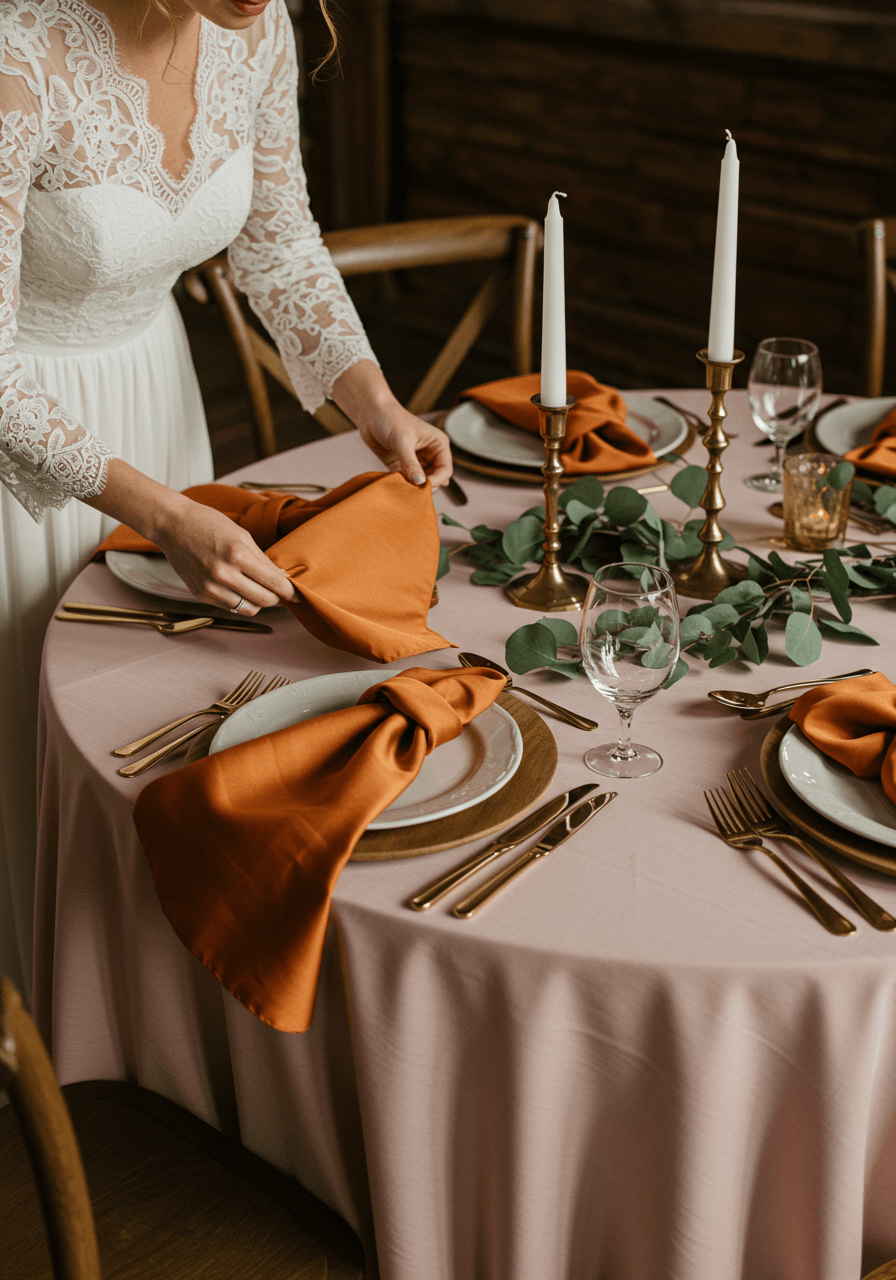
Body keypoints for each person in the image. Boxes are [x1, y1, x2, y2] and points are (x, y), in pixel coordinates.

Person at [0, 0, 453, 1001]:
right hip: (24, 444)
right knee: (27, 746)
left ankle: (142, 1012)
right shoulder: (16, 50)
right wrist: (158, 513)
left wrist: (373, 404)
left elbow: (278, 243)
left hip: (159, 410)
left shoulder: (260, 27)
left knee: (158, 726)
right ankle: (36, 1032)